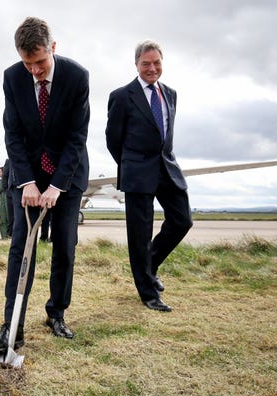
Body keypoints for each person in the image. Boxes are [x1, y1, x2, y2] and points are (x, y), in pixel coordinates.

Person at [0, 17, 90, 354]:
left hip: (67, 175)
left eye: (40, 62)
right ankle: (11, 326)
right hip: (28, 173)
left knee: (65, 245)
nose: (34, 71)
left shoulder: (77, 77)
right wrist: (28, 182)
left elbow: (77, 137)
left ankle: (56, 312)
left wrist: (57, 186)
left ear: (53, 49)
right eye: (27, 63)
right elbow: (12, 135)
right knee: (20, 247)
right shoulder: (12, 78)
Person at [105, 40, 192, 313]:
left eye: (156, 63)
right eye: (146, 64)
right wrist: (130, 164)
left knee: (182, 220)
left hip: (167, 168)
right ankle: (148, 293)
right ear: (136, 65)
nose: (152, 68)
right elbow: (112, 139)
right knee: (139, 235)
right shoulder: (122, 96)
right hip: (137, 171)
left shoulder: (171, 94)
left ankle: (150, 264)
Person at [0, 166, 9, 240]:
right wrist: (3, 186)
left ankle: (9, 235)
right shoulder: (0, 182)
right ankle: (3, 236)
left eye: (0, 172)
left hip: (9, 204)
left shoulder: (10, 181)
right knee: (3, 220)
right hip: (3, 204)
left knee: (10, 219)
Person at [2, 158, 13, 238]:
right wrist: (7, 190)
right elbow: (5, 176)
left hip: (24, 192)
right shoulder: (9, 161)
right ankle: (10, 234)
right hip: (11, 193)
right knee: (11, 216)